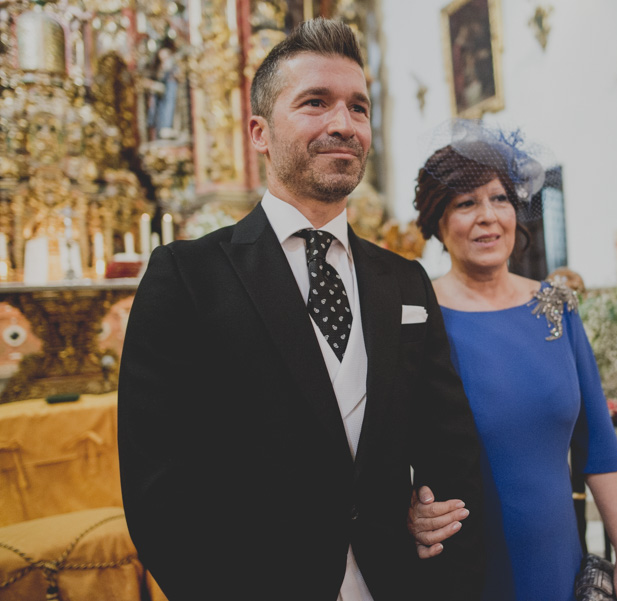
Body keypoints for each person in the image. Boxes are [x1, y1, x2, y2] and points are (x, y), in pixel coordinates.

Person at [118, 19, 485, 601]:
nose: (343, 124)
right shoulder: (186, 277)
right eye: (316, 103)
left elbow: (448, 448)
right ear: (259, 133)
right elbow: (158, 486)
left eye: (358, 108)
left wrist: (441, 541)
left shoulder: (405, 281)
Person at [407, 120, 617, 601]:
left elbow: (598, 445)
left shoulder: (556, 306)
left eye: (499, 199)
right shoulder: (417, 318)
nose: (488, 217)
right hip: (466, 570)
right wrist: (405, 507)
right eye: (465, 203)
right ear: (437, 220)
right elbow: (384, 445)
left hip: (557, 561)